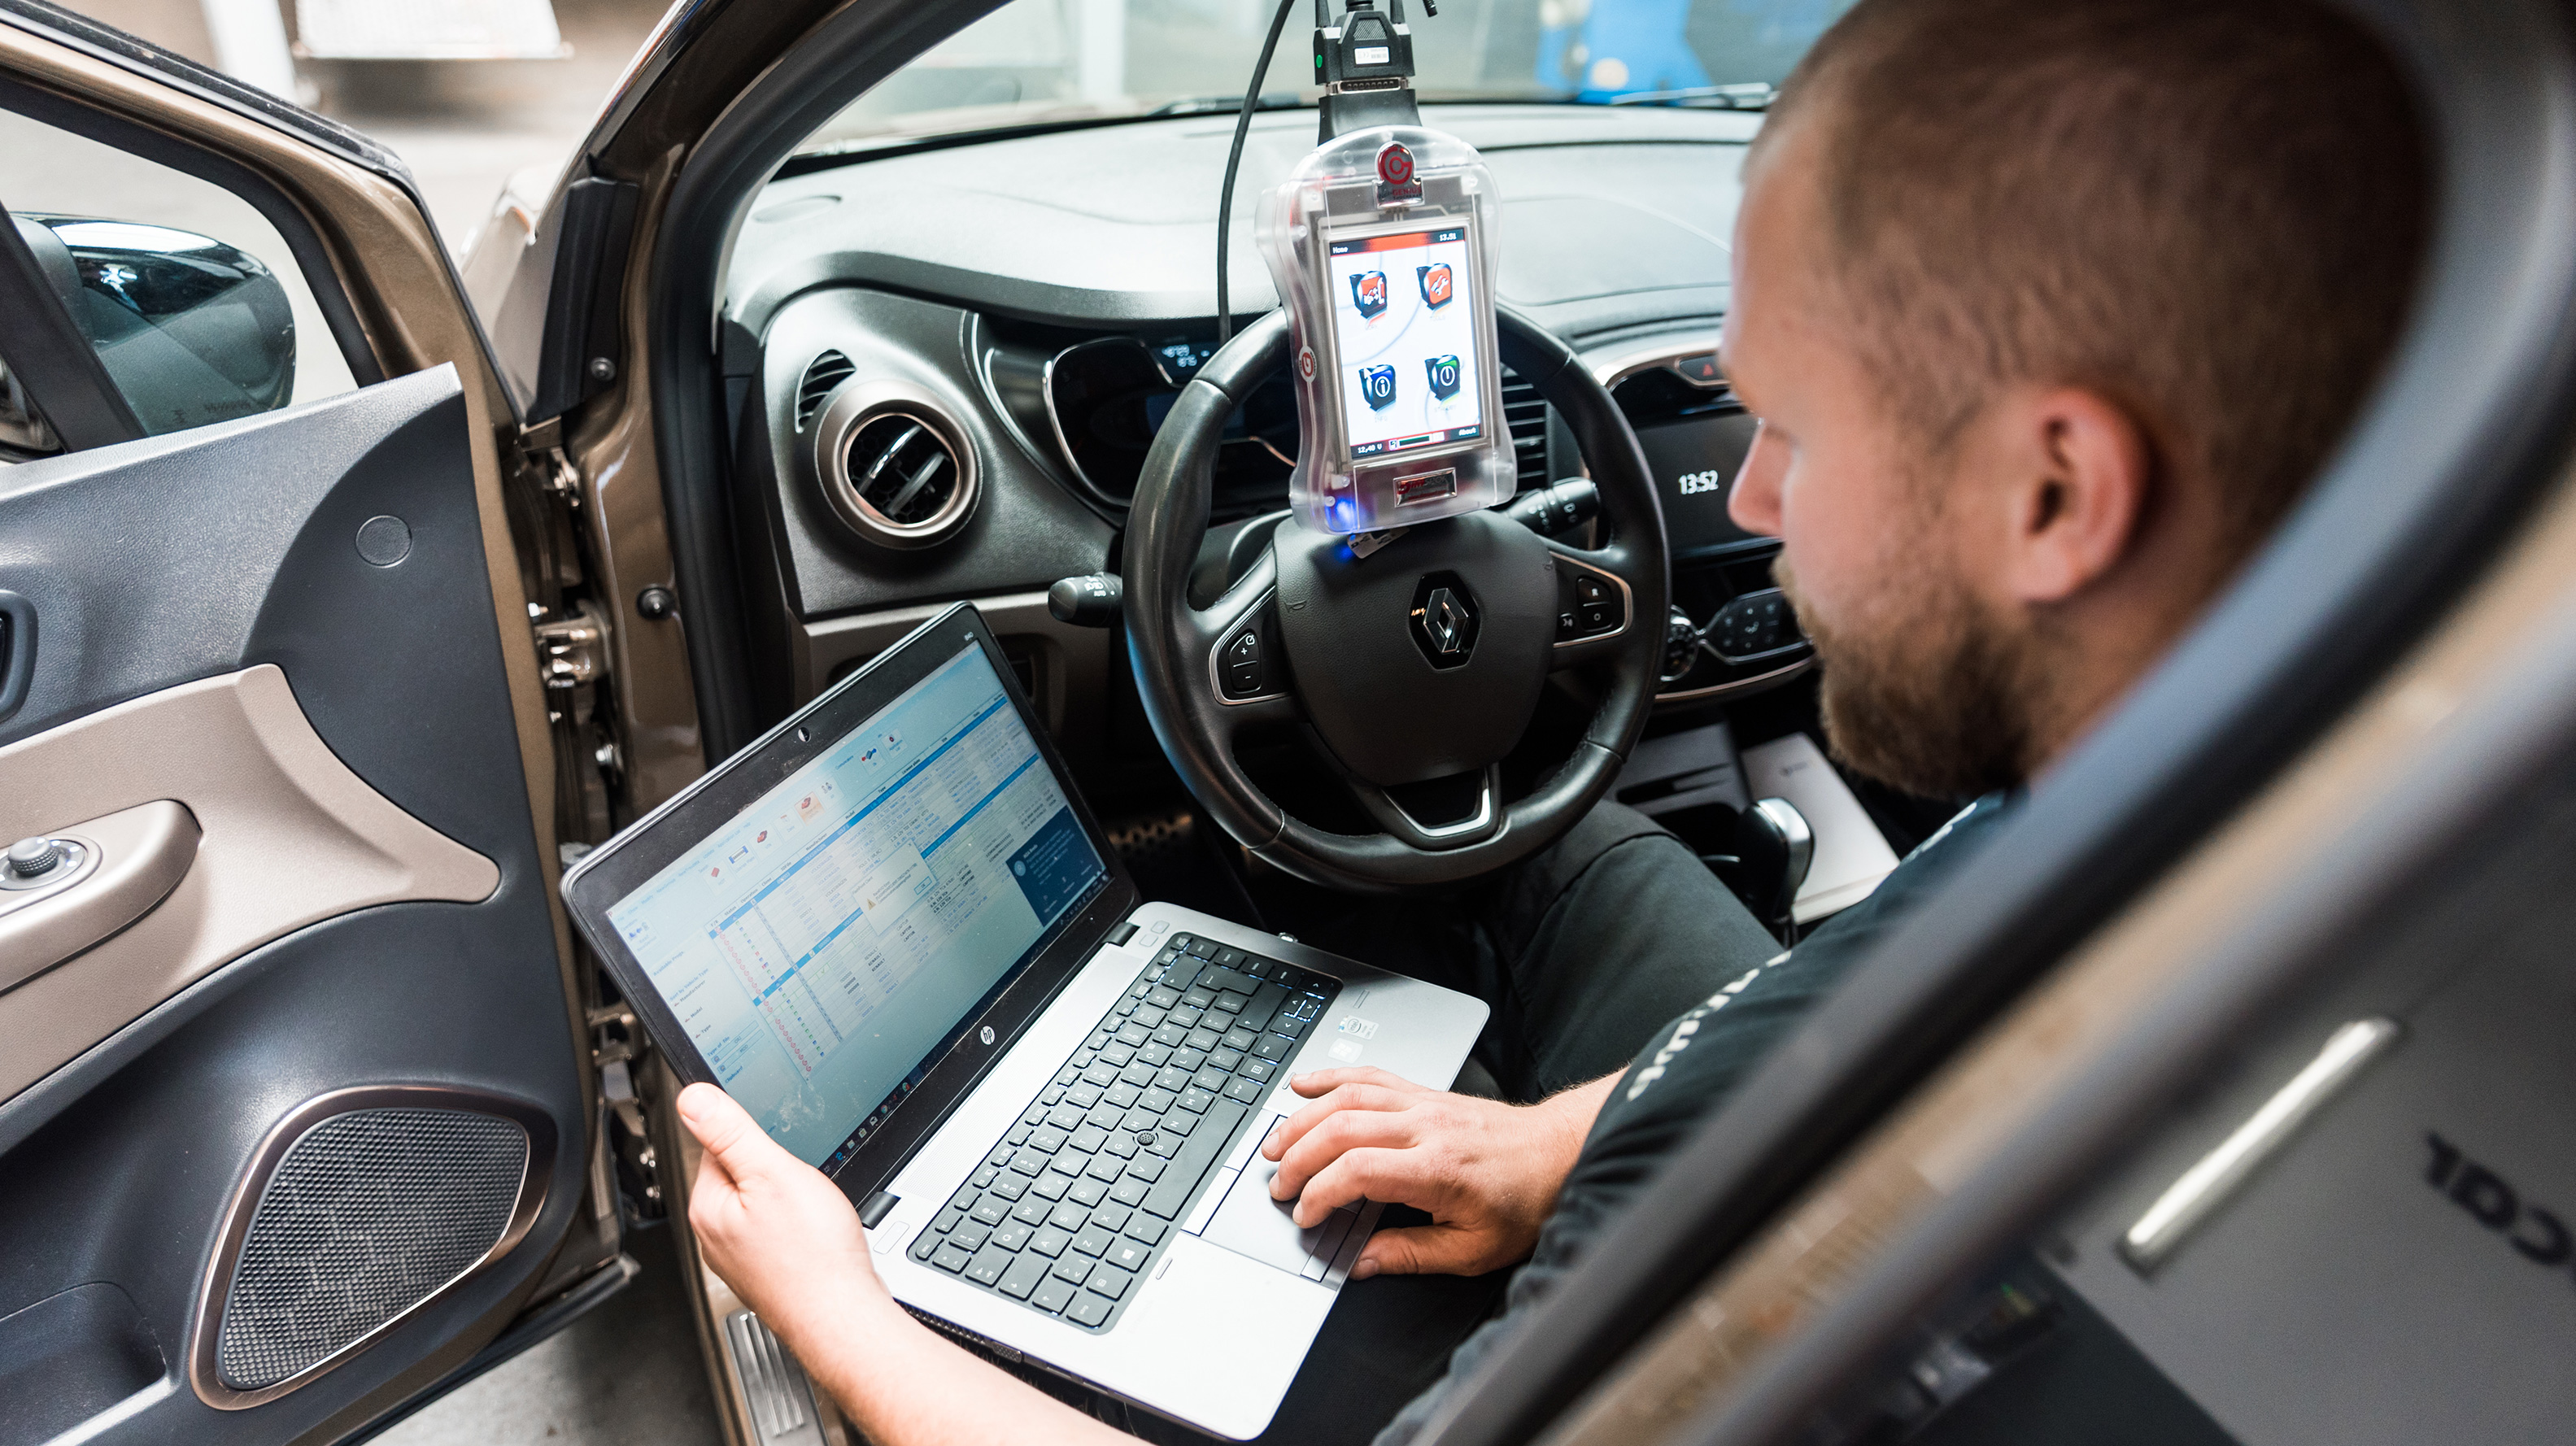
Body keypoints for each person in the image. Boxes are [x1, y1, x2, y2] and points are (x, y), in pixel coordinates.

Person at [672, 0, 2432, 1441]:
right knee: (1538, 842)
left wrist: (845, 1320)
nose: (1749, 499)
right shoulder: (2211, 785)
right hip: (1723, 1127)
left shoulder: (1766, 1250)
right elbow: (1863, 990)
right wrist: (1542, 1146)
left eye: (1791, 428)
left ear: (2056, 493)